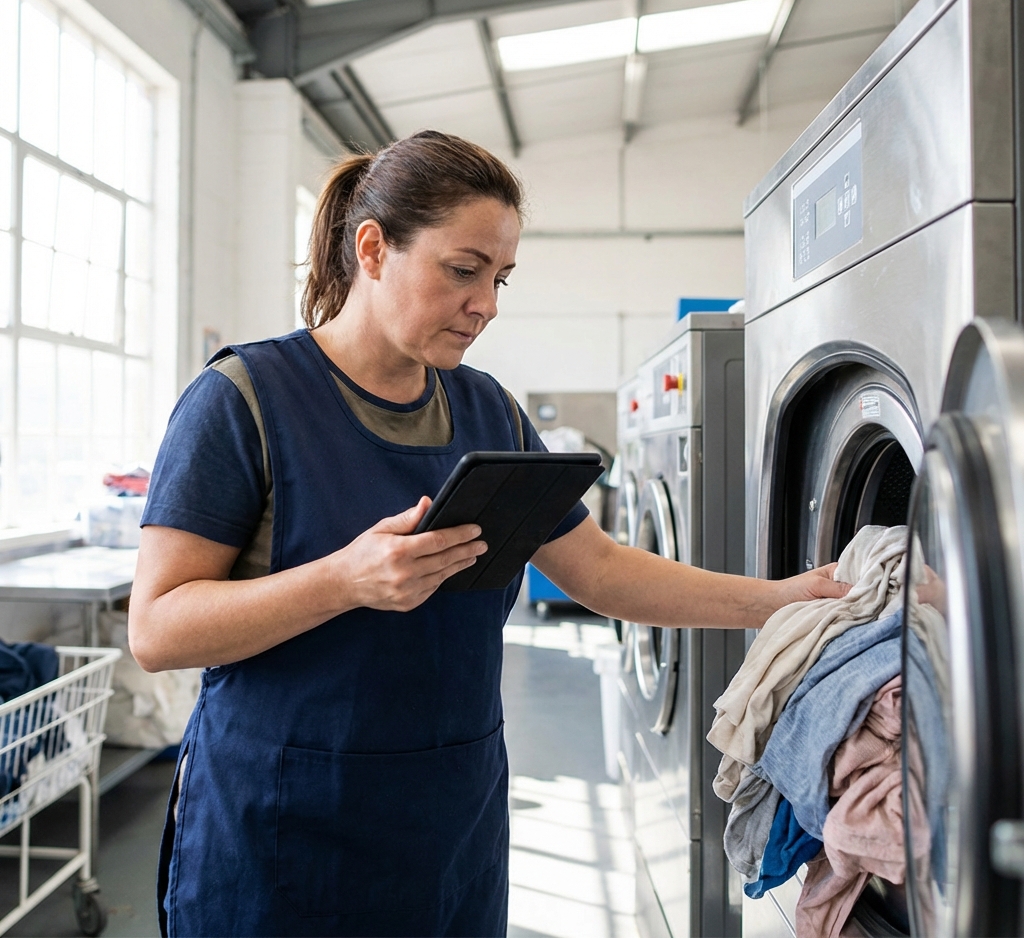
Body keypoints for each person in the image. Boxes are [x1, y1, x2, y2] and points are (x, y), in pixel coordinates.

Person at [130, 130, 847, 938]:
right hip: (281, 834)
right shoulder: (244, 400)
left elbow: (601, 571)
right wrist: (343, 580)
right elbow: (156, 629)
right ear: (373, 249)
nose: (488, 304)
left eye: (499, 277)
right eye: (463, 270)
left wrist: (786, 601)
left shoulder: (488, 410)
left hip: (448, 829)